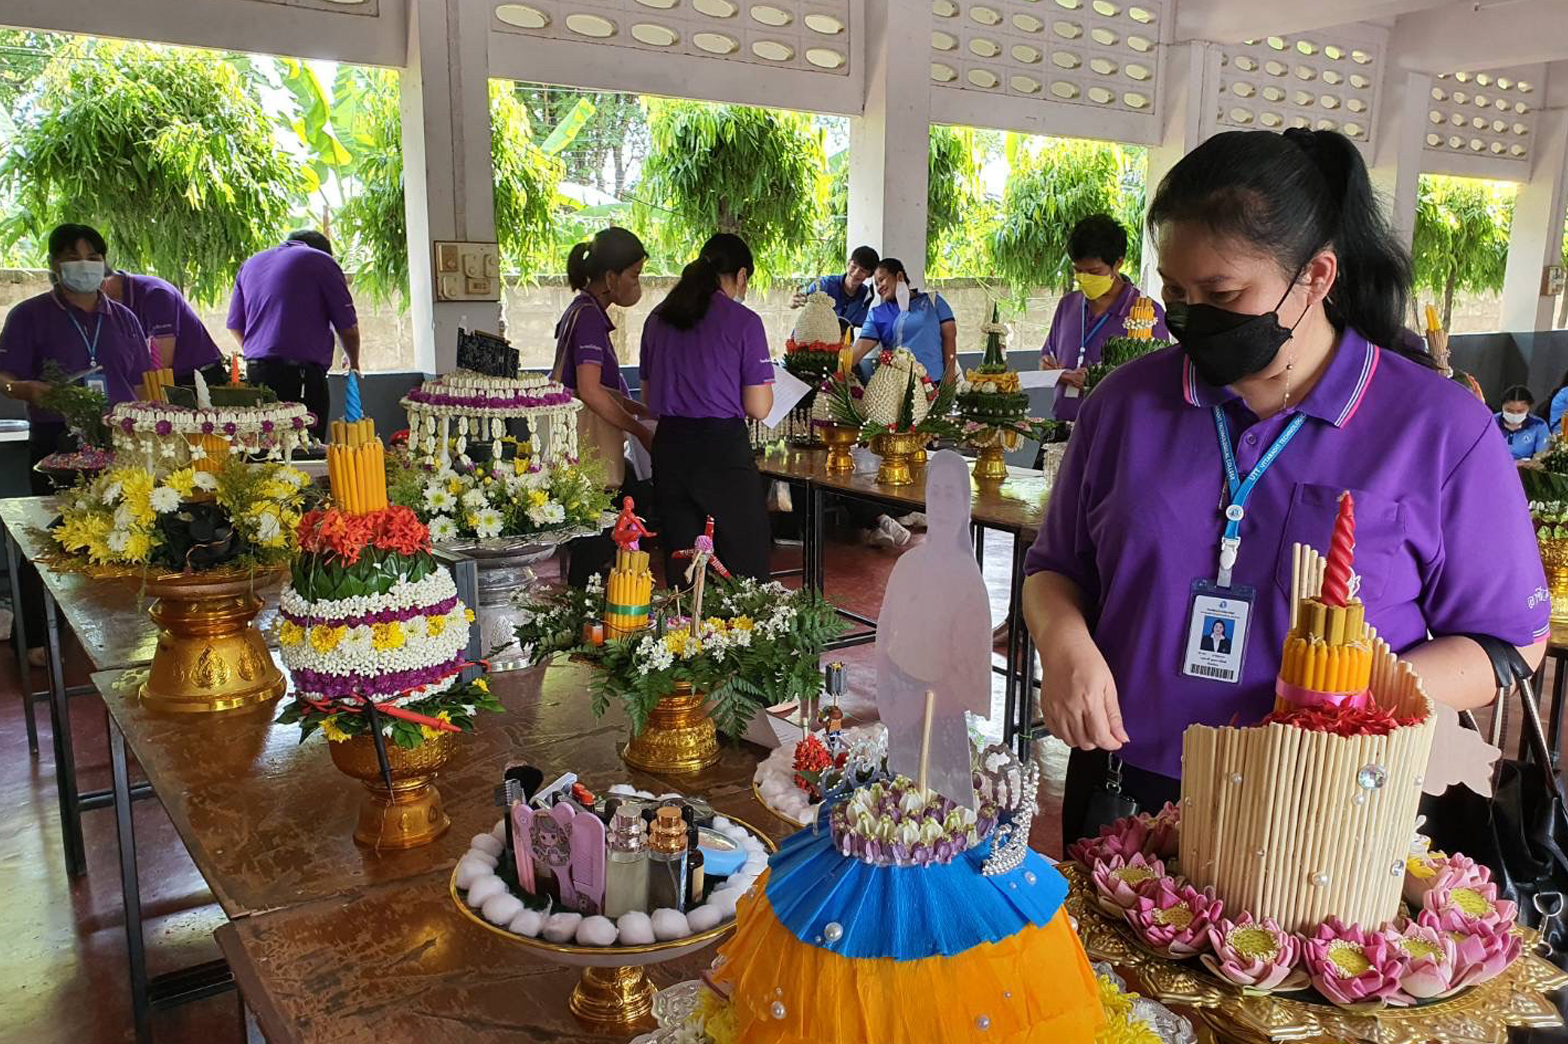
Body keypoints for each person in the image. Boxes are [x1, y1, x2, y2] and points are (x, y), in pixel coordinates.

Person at [1020, 128, 1548, 852]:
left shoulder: (1439, 428)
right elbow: (1057, 569)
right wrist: (1064, 644)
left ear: (1317, 276)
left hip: (1328, 798)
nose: (1190, 315)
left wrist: (1352, 690)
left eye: (1223, 292)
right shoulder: (1126, 405)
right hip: (1127, 783)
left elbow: (1509, 642)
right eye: (1176, 290)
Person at [0, 222, 154, 665]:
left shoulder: (124, 318)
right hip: (57, 436)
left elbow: (143, 384)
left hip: (118, 437)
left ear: (105, 262)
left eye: (92, 255)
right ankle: (33, 639)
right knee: (51, 537)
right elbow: (6, 377)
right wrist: (25, 391)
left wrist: (150, 426)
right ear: (54, 263)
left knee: (125, 528)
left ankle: (122, 629)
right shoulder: (29, 316)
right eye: (72, 256)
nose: (83, 265)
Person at [639, 233, 774, 583]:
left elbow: (648, 398)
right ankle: (737, 634)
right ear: (741, 275)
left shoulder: (657, 318)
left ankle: (685, 634)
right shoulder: (743, 322)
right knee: (743, 556)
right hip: (720, 451)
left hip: (670, 448)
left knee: (682, 560)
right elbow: (759, 407)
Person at [552, 226, 656, 585]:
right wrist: (639, 429)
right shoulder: (591, 318)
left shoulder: (580, 310)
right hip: (591, 452)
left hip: (583, 449)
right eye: (634, 275)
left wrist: (637, 407)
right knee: (597, 536)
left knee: (602, 526)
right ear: (611, 277)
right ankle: (588, 611)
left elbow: (596, 388)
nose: (636, 284)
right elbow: (590, 391)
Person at [227, 230, 359, 438]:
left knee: (265, 446)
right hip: (301, 376)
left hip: (256, 374)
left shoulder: (251, 264)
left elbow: (235, 325)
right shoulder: (321, 260)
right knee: (306, 446)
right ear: (326, 252)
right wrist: (354, 362)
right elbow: (348, 327)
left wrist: (260, 354)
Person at [1039, 214, 1170, 422]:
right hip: (1061, 428)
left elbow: (1156, 384)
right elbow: (1047, 360)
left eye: (1093, 271)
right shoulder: (1068, 305)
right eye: (1077, 271)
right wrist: (1060, 374)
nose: (1084, 278)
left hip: (1114, 433)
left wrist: (1099, 381)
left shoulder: (1147, 314)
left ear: (1118, 263)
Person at [103, 267, 225, 386]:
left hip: (197, 377)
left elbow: (161, 360)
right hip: (168, 378)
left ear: (103, 283)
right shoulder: (110, 304)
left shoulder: (156, 294)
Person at [850, 258, 958, 384]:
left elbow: (949, 338)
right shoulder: (877, 314)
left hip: (935, 384)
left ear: (899, 275)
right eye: (876, 285)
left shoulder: (933, 301)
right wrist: (834, 364)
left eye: (882, 280)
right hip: (896, 388)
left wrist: (949, 379)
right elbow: (858, 350)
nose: (879, 287)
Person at [791, 245, 880, 336]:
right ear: (848, 263)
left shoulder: (866, 296)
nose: (856, 273)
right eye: (854, 267)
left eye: (862, 271)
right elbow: (797, 301)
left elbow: (857, 326)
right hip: (807, 338)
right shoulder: (825, 284)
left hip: (836, 345)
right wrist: (795, 301)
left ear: (870, 274)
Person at [1496, 385, 1551, 462]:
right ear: (1502, 406)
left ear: (1529, 408)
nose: (1514, 415)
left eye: (1520, 411)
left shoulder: (1539, 425)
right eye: (1509, 411)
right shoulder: (1491, 422)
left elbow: (1543, 457)